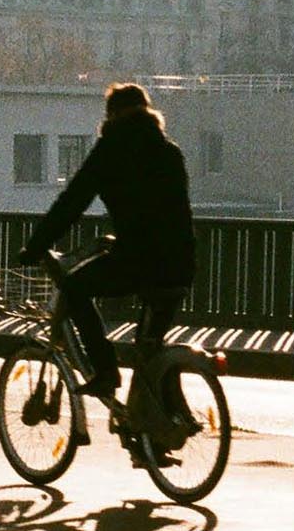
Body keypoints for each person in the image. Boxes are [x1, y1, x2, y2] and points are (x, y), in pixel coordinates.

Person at [18, 82, 195, 401]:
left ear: (112, 115)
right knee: (150, 346)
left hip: (138, 260)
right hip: (180, 263)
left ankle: (105, 370)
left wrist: (35, 246)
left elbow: (71, 203)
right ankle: (161, 425)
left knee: (73, 288)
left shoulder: (111, 149)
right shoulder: (169, 151)